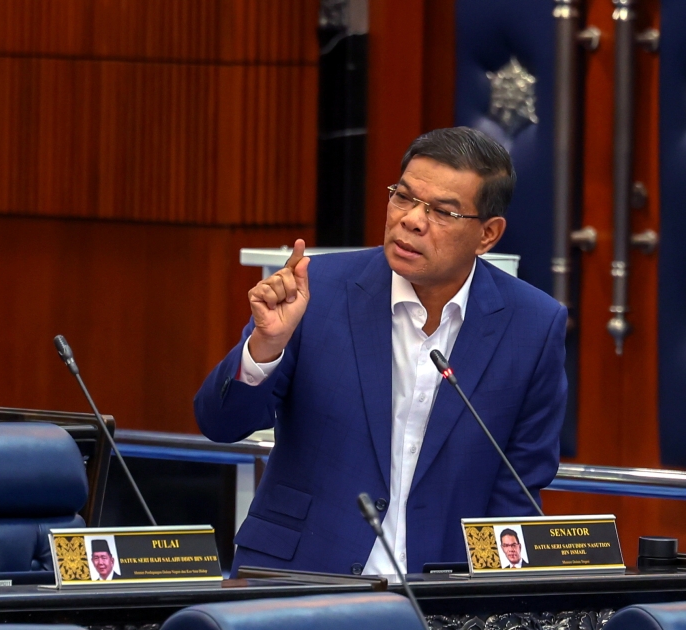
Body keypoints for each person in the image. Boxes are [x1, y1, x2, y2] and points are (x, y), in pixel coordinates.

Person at [195, 127, 566, 576]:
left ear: (487, 235)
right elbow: (219, 424)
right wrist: (265, 346)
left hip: (441, 598)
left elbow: (517, 492)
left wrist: (489, 613)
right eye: (404, 198)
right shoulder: (319, 291)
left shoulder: (532, 324)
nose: (411, 220)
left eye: (442, 212)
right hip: (298, 580)